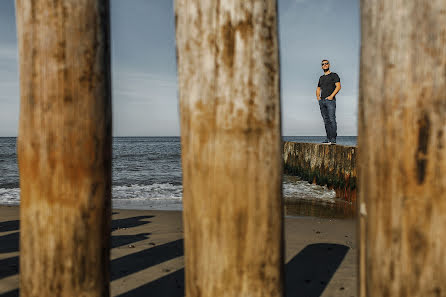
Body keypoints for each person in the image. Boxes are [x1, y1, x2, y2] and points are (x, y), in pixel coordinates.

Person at [316, 59, 341, 144]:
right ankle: (328, 138)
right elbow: (318, 88)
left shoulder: (334, 75)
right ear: (322, 66)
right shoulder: (321, 78)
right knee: (326, 120)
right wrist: (318, 97)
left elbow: (338, 86)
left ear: (329, 65)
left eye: (326, 63)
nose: (325, 65)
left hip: (330, 101)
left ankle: (333, 139)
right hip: (322, 101)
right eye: (323, 64)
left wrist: (331, 96)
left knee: (332, 119)